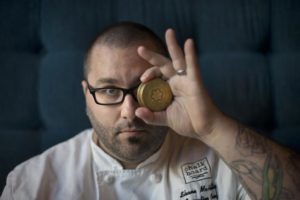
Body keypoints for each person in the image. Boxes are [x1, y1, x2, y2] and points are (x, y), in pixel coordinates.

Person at [1, 21, 299, 200]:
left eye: (145, 90)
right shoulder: (34, 182)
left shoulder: (223, 160)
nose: (130, 111)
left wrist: (211, 126)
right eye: (109, 90)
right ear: (86, 95)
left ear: (167, 88)